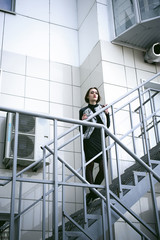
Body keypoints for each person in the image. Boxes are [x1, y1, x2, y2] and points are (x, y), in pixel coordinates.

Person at [79, 87, 110, 205]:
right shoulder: (83, 110)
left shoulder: (102, 108)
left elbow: (108, 126)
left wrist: (107, 114)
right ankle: (93, 193)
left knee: (103, 169)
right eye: (92, 93)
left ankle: (92, 194)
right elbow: (81, 130)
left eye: (96, 93)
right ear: (88, 96)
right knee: (90, 166)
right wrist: (83, 121)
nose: (94, 94)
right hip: (89, 140)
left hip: (100, 139)